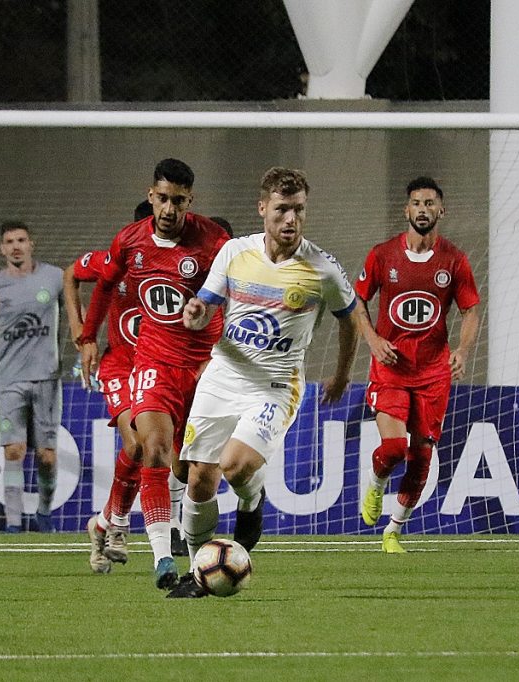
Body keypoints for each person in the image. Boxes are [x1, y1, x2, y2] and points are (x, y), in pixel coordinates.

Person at [167, 167, 356, 598]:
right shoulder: (235, 252)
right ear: (263, 209)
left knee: (234, 465)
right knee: (199, 479)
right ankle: (199, 573)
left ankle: (252, 502)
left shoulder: (322, 268)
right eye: (282, 210)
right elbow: (206, 303)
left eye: (298, 210)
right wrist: (196, 313)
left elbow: (350, 320)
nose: (290, 220)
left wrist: (343, 371)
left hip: (275, 384)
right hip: (224, 374)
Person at [78, 159, 229, 589]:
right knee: (153, 449)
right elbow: (103, 282)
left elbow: (236, 292)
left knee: (192, 472)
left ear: (190, 202)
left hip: (203, 369)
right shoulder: (129, 241)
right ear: (151, 196)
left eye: (178, 201)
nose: (169, 209)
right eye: (162, 199)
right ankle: (163, 557)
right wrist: (88, 336)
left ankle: (109, 520)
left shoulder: (213, 242)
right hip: (152, 363)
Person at [354, 176, 480, 553]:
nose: (422, 209)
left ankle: (393, 530)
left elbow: (471, 309)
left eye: (429, 203)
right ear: (406, 210)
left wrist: (463, 350)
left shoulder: (454, 260)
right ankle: (375, 485)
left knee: (422, 455)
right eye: (416, 203)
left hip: (433, 374)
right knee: (394, 448)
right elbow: (357, 302)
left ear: (442, 210)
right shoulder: (382, 255)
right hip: (392, 370)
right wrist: (374, 341)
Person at [66, 200, 150, 573]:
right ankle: (119, 525)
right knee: (137, 443)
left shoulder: (178, 268)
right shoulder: (113, 261)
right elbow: (70, 274)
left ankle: (102, 523)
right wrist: (80, 331)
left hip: (155, 367)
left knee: (152, 451)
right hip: (118, 363)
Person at [0, 221, 64, 533]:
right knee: (14, 451)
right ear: (2, 248)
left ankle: (44, 512)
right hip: (8, 380)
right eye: (9, 241)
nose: (16, 246)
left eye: (21, 240)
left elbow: (77, 314)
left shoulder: (54, 278)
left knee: (47, 457)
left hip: (47, 379)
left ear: (31, 243)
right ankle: (12, 524)